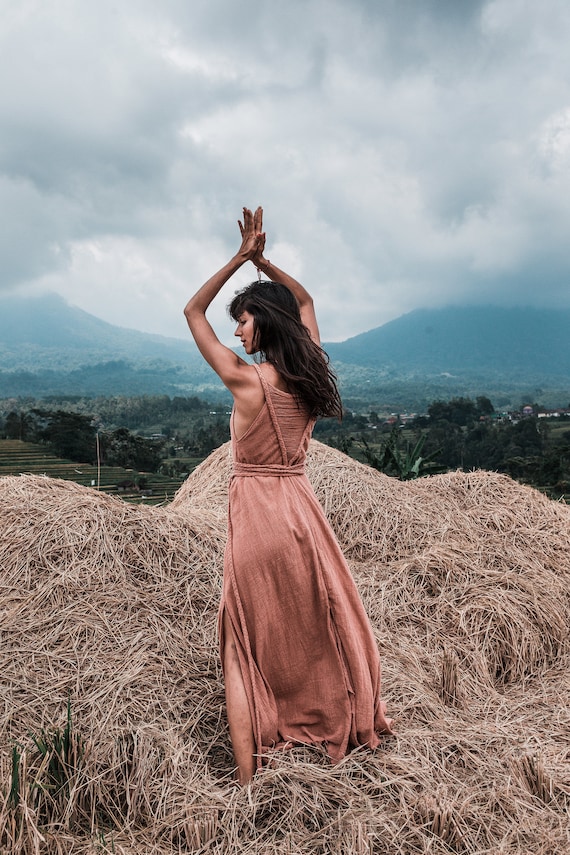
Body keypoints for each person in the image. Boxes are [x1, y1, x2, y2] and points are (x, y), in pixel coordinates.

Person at [184, 207, 393, 785]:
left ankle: (248, 782)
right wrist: (262, 263)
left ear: (264, 324)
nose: (237, 332)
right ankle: (329, 712)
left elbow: (191, 311)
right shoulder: (308, 375)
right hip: (302, 513)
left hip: (254, 515)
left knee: (241, 638)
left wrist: (238, 258)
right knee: (316, 623)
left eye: (245, 321)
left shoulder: (245, 381)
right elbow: (306, 305)